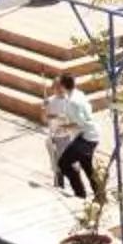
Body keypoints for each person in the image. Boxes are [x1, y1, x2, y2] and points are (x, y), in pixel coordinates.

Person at [43, 72, 103, 200]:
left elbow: (80, 123)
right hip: (91, 135)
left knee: (63, 163)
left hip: (87, 137)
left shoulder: (72, 102)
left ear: (64, 86)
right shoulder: (79, 94)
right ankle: (100, 196)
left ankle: (80, 193)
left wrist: (65, 127)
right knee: (86, 165)